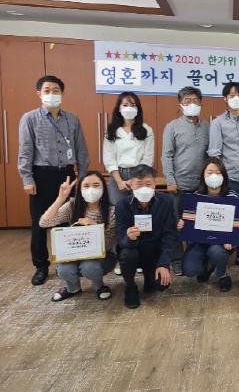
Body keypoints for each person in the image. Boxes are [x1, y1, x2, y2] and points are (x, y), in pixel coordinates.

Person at [18, 75, 89, 286]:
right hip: (41, 175)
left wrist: (82, 177)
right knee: (40, 222)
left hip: (67, 174)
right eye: (47, 90)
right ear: (38, 93)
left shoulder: (72, 119)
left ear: (62, 93)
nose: (51, 94)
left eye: (56, 90)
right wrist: (27, 178)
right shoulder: (30, 118)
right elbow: (25, 151)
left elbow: (81, 150)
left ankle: (67, 261)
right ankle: (41, 266)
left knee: (69, 219)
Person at [39, 171, 116, 302]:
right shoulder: (72, 206)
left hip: (101, 255)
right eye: (86, 186)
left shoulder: (111, 211)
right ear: (80, 190)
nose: (91, 189)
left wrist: (94, 227)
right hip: (73, 253)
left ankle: (99, 286)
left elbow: (108, 244)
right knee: (64, 269)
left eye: (96, 185)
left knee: (89, 267)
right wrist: (61, 198)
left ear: (104, 188)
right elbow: (44, 222)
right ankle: (72, 288)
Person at [162, 86, 210, 275]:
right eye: (187, 101)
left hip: (201, 186)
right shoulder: (172, 126)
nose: (192, 104)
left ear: (201, 104)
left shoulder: (208, 127)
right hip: (178, 185)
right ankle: (176, 259)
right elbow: (166, 155)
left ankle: (194, 257)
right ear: (180, 104)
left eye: (195, 101)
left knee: (197, 224)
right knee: (176, 224)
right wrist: (170, 180)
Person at [208, 82, 239, 266]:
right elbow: (215, 154)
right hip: (230, 179)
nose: (236, 99)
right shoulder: (218, 123)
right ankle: (224, 252)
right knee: (229, 218)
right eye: (232, 95)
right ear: (225, 99)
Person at [115, 164, 178, 309]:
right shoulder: (122, 205)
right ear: (131, 185)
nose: (144, 188)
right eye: (139, 184)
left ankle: (149, 277)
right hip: (133, 250)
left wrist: (163, 264)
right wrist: (129, 238)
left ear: (154, 184)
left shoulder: (166, 202)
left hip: (154, 251)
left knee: (161, 285)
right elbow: (120, 239)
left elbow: (170, 235)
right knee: (127, 254)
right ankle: (130, 286)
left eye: (148, 184)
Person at [178, 157, 238, 292]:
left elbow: (237, 224)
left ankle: (222, 274)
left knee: (216, 252)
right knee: (190, 270)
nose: (214, 176)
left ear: (224, 176)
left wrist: (232, 239)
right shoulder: (195, 197)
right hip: (199, 241)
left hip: (221, 243)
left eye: (218, 173)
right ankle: (207, 265)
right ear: (203, 175)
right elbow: (189, 221)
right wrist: (183, 225)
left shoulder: (233, 197)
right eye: (210, 173)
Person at [103, 91, 154, 206]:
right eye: (125, 105)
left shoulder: (147, 130)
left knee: (139, 206)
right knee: (117, 207)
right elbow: (109, 157)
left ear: (138, 109)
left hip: (140, 175)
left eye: (133, 105)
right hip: (117, 175)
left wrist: (135, 179)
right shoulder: (112, 130)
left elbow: (148, 158)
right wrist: (119, 181)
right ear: (119, 108)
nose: (129, 108)